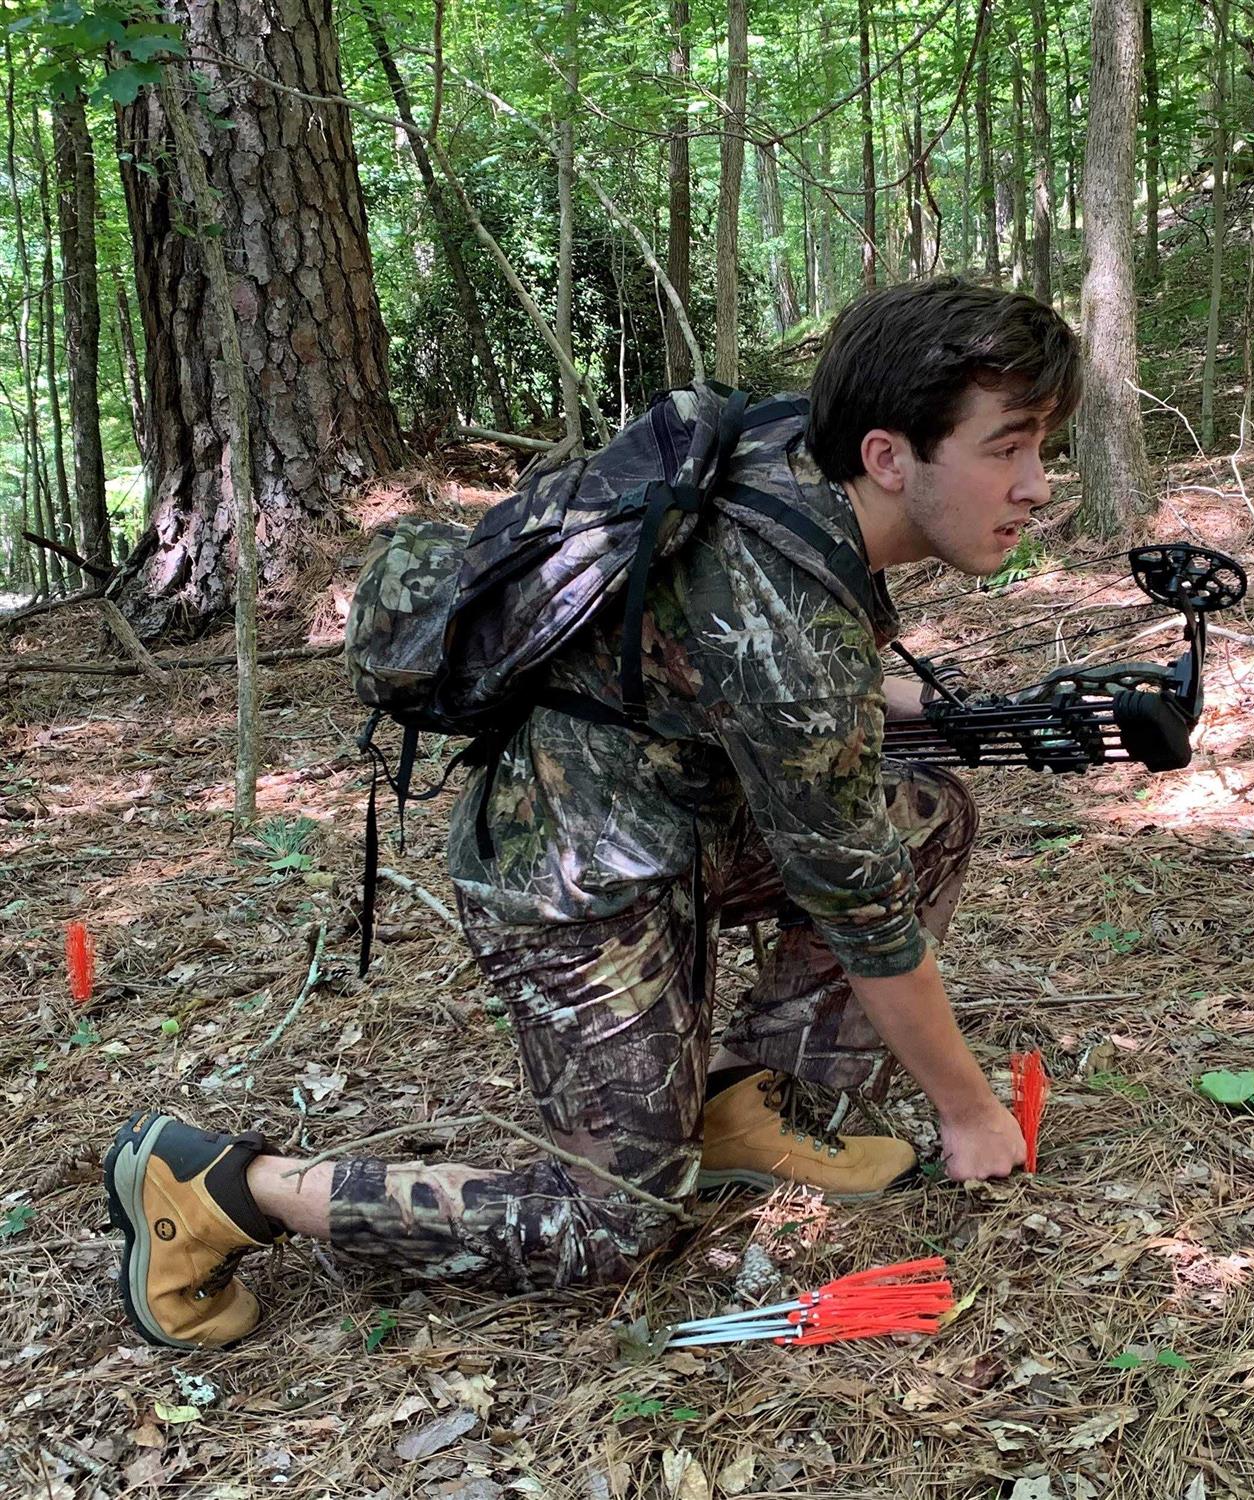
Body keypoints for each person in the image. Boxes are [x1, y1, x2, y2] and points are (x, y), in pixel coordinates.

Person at [105, 278, 1082, 1350]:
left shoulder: (796, 458)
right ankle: (221, 1189)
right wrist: (970, 1111)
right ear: (889, 456)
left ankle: (737, 1108)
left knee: (924, 811)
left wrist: (979, 715)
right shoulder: (788, 615)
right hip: (566, 878)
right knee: (615, 1227)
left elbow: (757, 677)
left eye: (1040, 447)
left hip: (663, 815)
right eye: (1006, 448)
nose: (1036, 485)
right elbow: (864, 909)